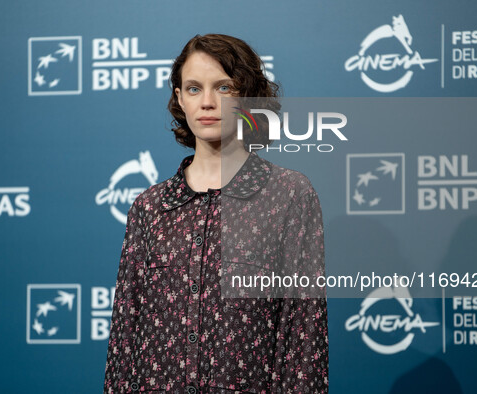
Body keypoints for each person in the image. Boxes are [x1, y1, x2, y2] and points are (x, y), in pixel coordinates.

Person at [104, 34, 328, 393]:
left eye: (223, 87)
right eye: (194, 89)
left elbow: (303, 343)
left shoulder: (288, 196)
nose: (207, 102)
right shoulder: (149, 208)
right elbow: (124, 343)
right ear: (179, 98)